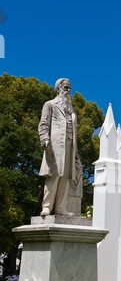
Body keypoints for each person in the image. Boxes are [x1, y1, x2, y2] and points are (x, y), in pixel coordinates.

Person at [38, 78, 81, 216]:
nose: (68, 91)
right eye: (65, 88)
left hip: (70, 146)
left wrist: (76, 153)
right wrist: (44, 138)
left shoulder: (72, 110)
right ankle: (47, 206)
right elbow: (43, 124)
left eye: (69, 88)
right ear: (58, 89)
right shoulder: (50, 105)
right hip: (54, 146)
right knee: (53, 176)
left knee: (65, 178)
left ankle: (61, 208)